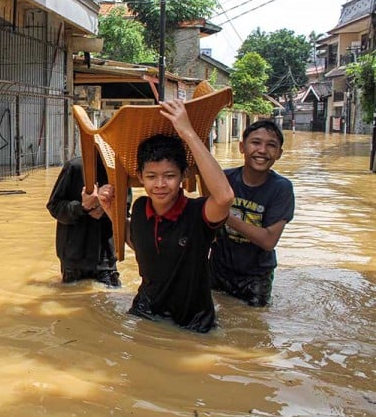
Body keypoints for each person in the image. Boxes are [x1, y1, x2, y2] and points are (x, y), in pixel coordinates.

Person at [98, 100, 234, 333]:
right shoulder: (140, 208)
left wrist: (188, 132)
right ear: (140, 176)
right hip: (145, 312)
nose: (160, 185)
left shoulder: (198, 213)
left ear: (183, 175)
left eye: (169, 176)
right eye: (152, 176)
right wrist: (111, 210)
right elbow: (138, 242)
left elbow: (224, 198)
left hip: (193, 322)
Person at [209, 119, 295, 307]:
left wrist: (224, 216)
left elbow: (268, 241)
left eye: (271, 145)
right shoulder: (224, 178)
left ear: (279, 154)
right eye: (256, 143)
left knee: (254, 328)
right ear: (241, 147)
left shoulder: (281, 188)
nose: (262, 150)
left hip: (256, 277)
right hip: (218, 270)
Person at [46, 143, 123, 288]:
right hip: (73, 256)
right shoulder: (74, 167)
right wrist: (82, 207)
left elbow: (125, 210)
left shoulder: (120, 171)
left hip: (105, 257)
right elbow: (54, 206)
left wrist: (105, 210)